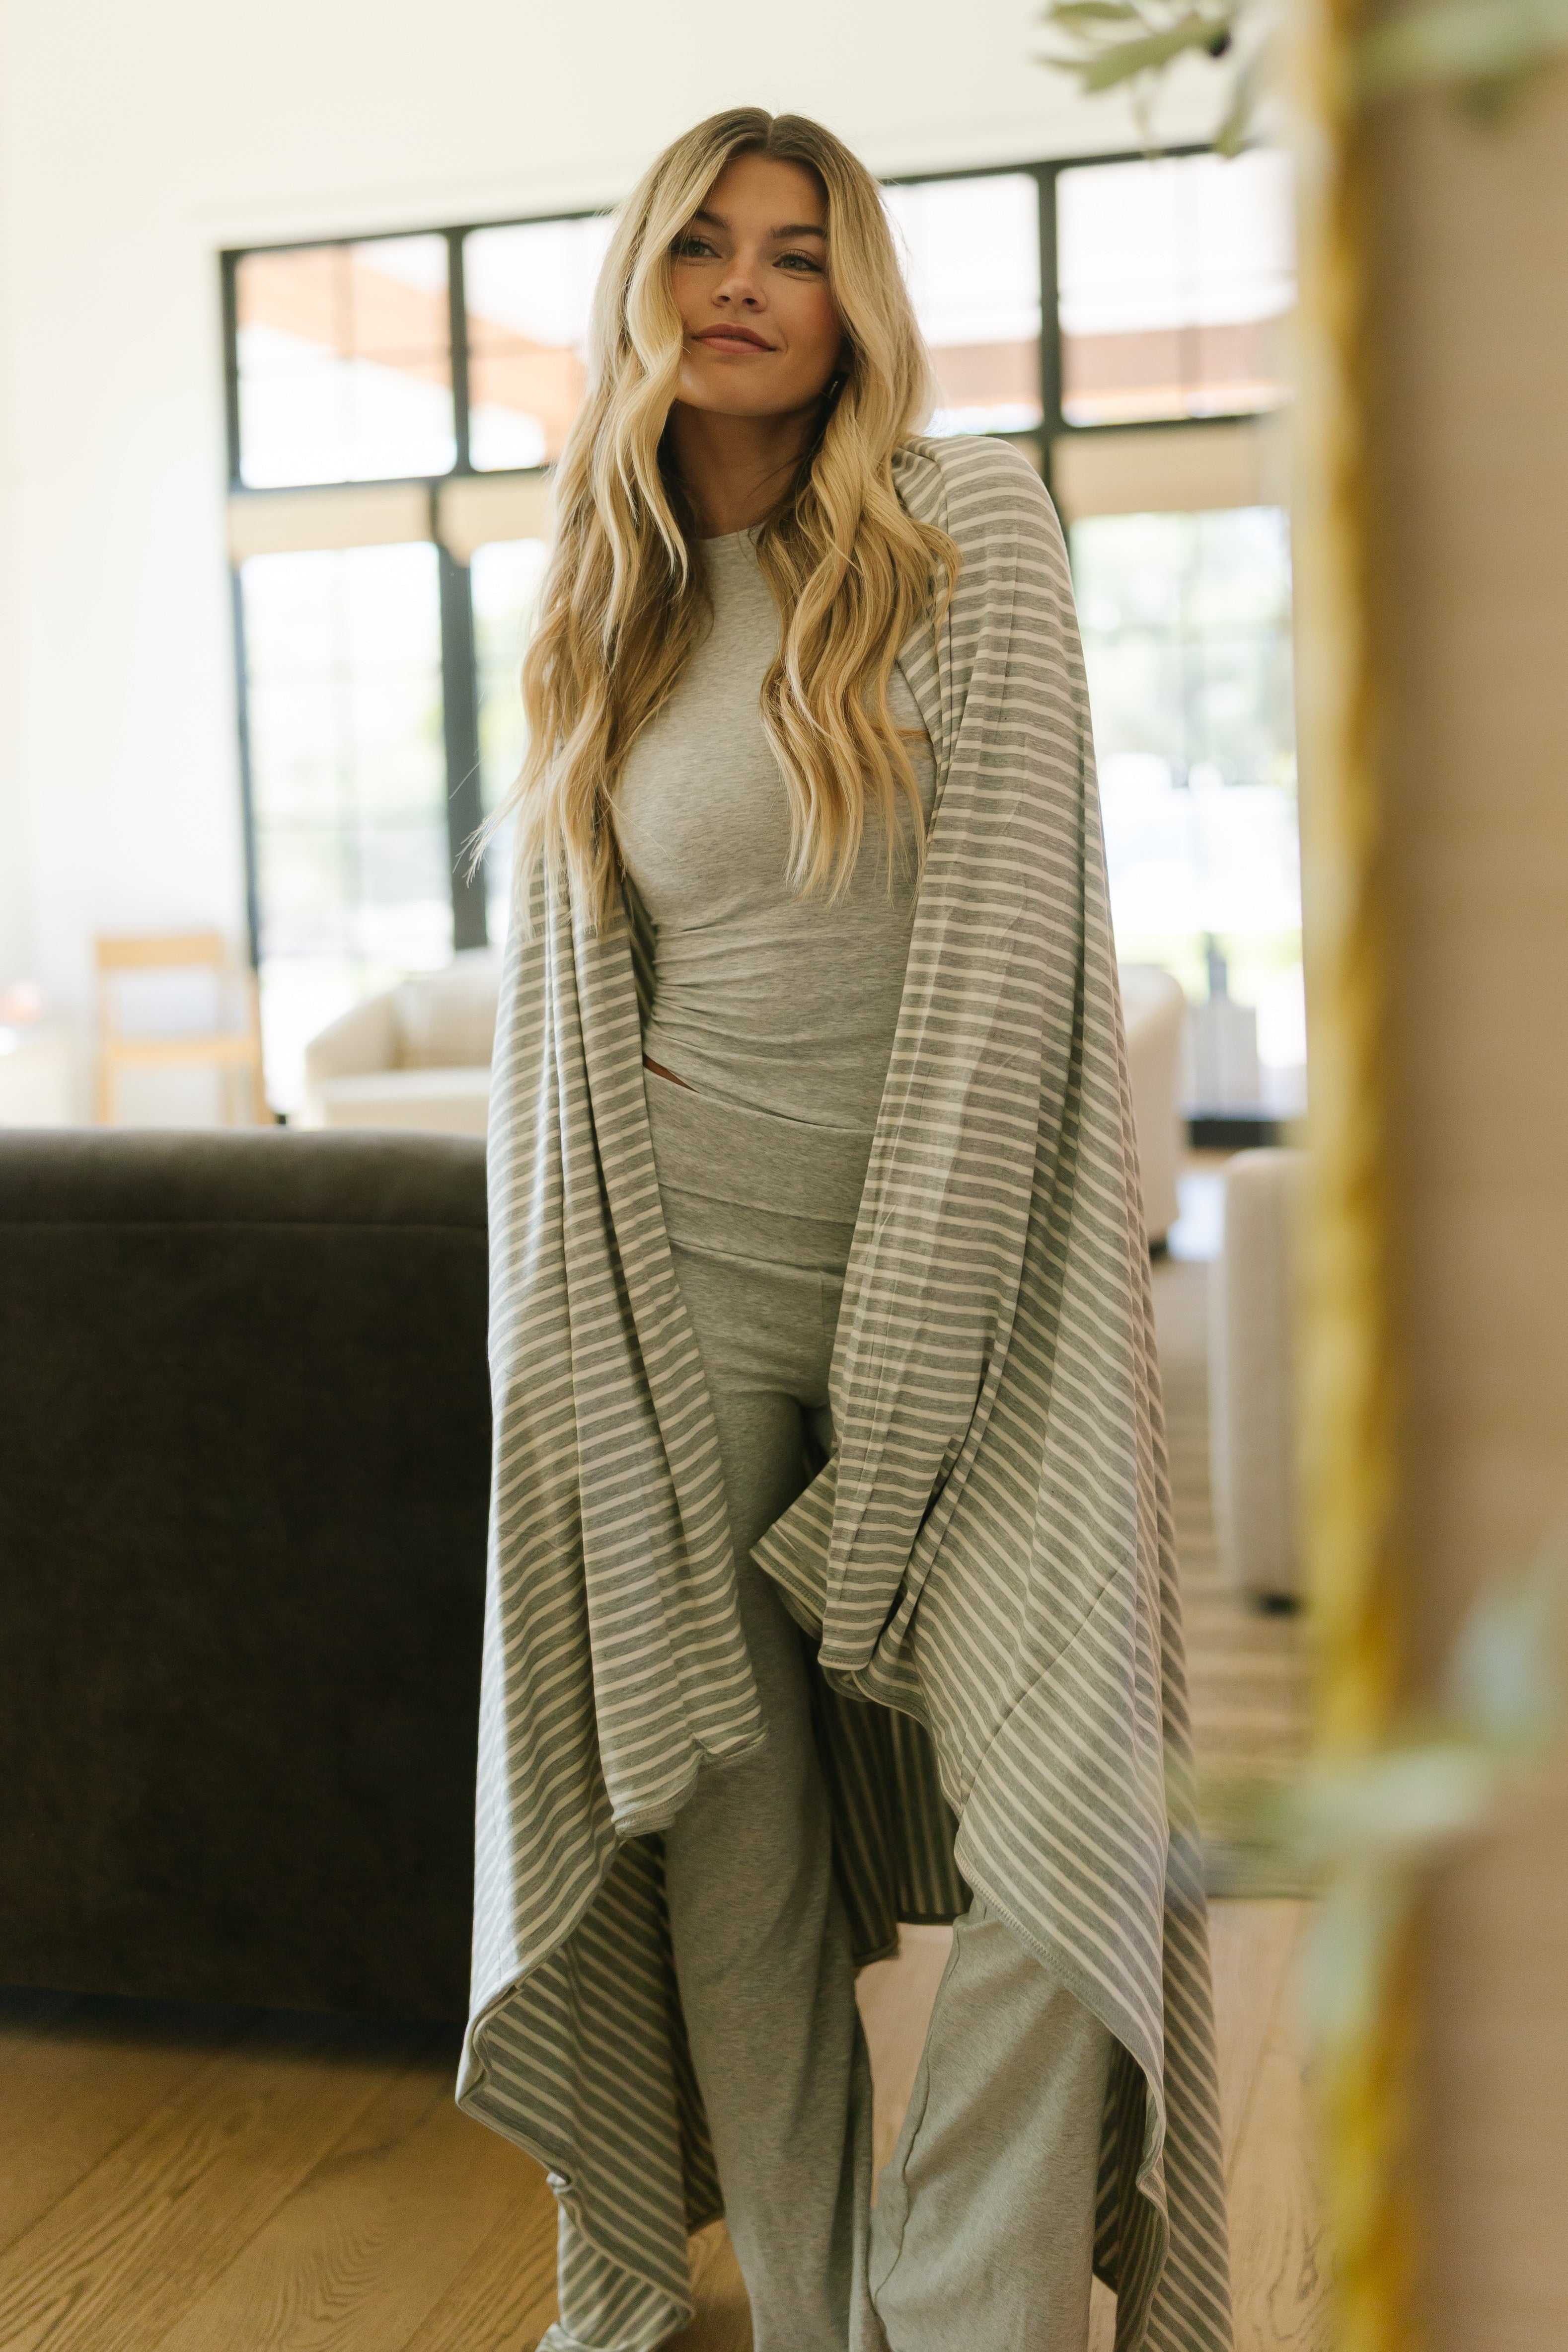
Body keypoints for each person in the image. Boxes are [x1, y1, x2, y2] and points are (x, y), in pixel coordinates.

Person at [458, 106, 1233, 2352]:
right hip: (665, 1284)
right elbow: (572, 1024)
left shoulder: (964, 523)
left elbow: (1007, 967)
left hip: (967, 1290)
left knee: (1064, 1809)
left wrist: (906, 1387)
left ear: (853, 299)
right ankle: (814, 2306)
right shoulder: (595, 598)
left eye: (798, 252)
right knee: (726, 1827)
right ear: (640, 279)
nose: (743, 283)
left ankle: (957, 2307)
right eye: (701, 242)